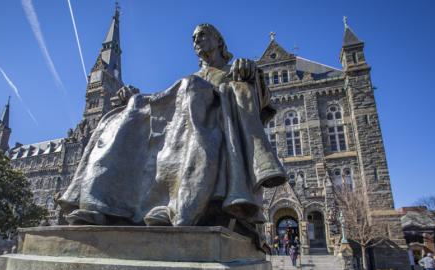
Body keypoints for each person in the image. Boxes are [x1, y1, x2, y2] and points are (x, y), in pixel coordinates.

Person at [58, 24, 286, 245]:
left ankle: (180, 208)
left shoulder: (233, 71)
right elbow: (166, 106)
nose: (196, 40)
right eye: (194, 38)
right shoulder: (192, 79)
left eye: (202, 35)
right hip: (181, 135)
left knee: (191, 88)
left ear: (219, 41)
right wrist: (134, 100)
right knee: (130, 108)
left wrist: (252, 74)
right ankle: (101, 204)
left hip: (212, 132)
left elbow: (261, 101)